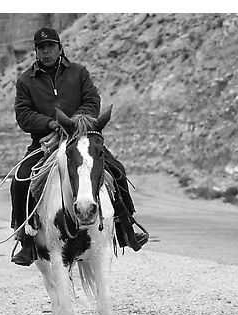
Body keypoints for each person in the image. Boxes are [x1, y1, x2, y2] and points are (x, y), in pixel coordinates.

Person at [10, 27, 148, 266]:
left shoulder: (79, 72)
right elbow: (23, 115)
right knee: (20, 180)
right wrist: (51, 123)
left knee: (117, 171)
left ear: (60, 48)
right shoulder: (25, 81)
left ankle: (126, 226)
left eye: (51, 47)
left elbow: (92, 101)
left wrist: (74, 124)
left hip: (81, 137)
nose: (46, 52)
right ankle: (26, 238)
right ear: (35, 52)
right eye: (42, 48)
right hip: (44, 141)